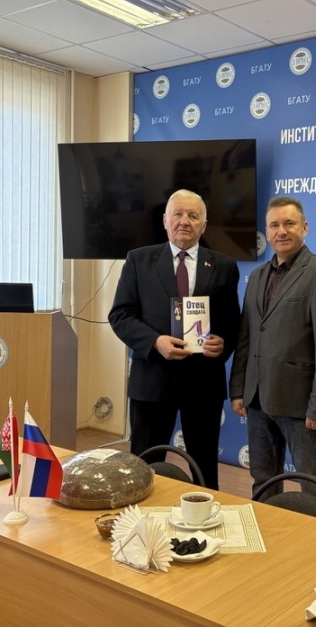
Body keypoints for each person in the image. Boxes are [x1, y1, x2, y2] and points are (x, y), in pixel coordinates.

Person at [109, 189, 240, 490]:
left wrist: (222, 343)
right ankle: (141, 515)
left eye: (193, 216)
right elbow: (120, 315)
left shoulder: (223, 266)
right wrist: (155, 342)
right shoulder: (138, 260)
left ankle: (205, 514)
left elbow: (232, 324)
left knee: (204, 468)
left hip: (203, 384)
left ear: (204, 225)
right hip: (152, 381)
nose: (185, 221)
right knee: (144, 467)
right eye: (178, 214)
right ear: (165, 220)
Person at [229, 196, 316, 512]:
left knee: (315, 487)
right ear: (267, 231)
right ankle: (266, 536)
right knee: (263, 482)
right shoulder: (257, 276)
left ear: (305, 228)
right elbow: (246, 338)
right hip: (257, 400)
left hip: (301, 405)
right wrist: (239, 389)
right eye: (274, 225)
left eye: (289, 223)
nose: (281, 231)